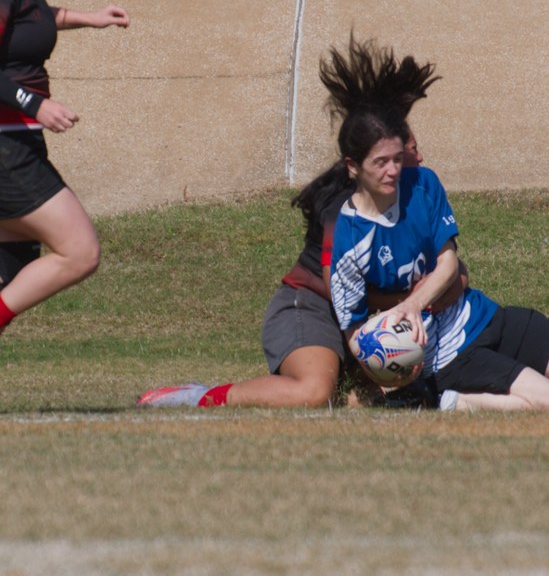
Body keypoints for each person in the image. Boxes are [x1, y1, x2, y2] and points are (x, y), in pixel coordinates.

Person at [136, 42, 463, 408]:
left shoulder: (417, 196)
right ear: (365, 162)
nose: (416, 158)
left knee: (365, 403)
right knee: (314, 393)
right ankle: (197, 397)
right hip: (311, 309)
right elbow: (340, 292)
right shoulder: (343, 212)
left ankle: (357, 379)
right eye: (405, 152)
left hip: (368, 322)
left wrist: (420, 300)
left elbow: (456, 276)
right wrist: (407, 303)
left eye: (406, 155)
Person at [327, 38, 549, 411]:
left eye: (397, 157)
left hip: (481, 315)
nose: (394, 170)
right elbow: (354, 329)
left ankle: (468, 389)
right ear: (352, 166)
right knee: (548, 402)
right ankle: (437, 399)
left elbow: (449, 263)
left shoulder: (423, 184)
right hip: (442, 353)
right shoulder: (350, 239)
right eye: (381, 162)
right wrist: (392, 365)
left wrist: (412, 305)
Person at [0, 0, 130, 333]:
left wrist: (89, 17)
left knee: (15, 266)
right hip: (6, 147)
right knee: (79, 250)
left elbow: (31, 18)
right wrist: (37, 104)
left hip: (19, 142)